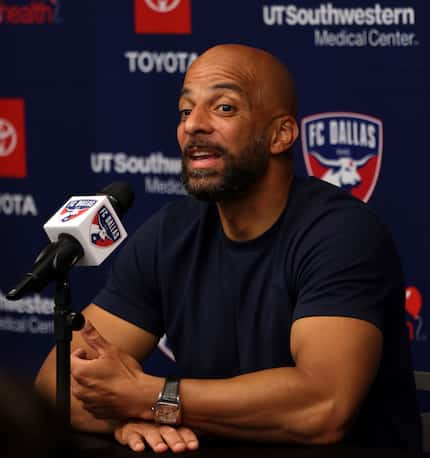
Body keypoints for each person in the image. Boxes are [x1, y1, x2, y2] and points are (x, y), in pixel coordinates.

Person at [35, 43, 422, 453]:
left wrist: (152, 396)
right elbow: (54, 389)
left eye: (223, 108)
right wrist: (126, 418)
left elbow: (323, 407)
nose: (193, 126)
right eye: (186, 111)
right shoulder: (170, 233)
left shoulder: (340, 233)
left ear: (280, 134)